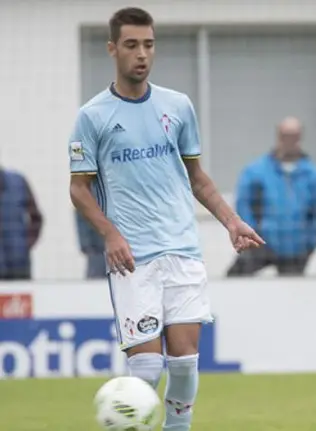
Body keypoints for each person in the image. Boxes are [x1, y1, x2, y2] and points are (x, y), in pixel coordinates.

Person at [68, 8, 264, 431]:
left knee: (185, 364)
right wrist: (110, 234)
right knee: (147, 369)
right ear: (112, 49)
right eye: (132, 44)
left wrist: (231, 220)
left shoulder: (177, 106)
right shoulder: (93, 116)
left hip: (183, 250)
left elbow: (197, 178)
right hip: (133, 258)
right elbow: (78, 189)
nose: (142, 54)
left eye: (149, 44)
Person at [227, 117, 316, 276]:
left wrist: (310, 243)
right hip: (261, 243)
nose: (289, 141)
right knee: (234, 278)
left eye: (294, 136)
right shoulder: (256, 171)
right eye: (285, 136)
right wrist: (251, 235)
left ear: (300, 138)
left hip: (296, 248)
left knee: (291, 293)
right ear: (278, 136)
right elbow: (244, 205)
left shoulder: (313, 175)